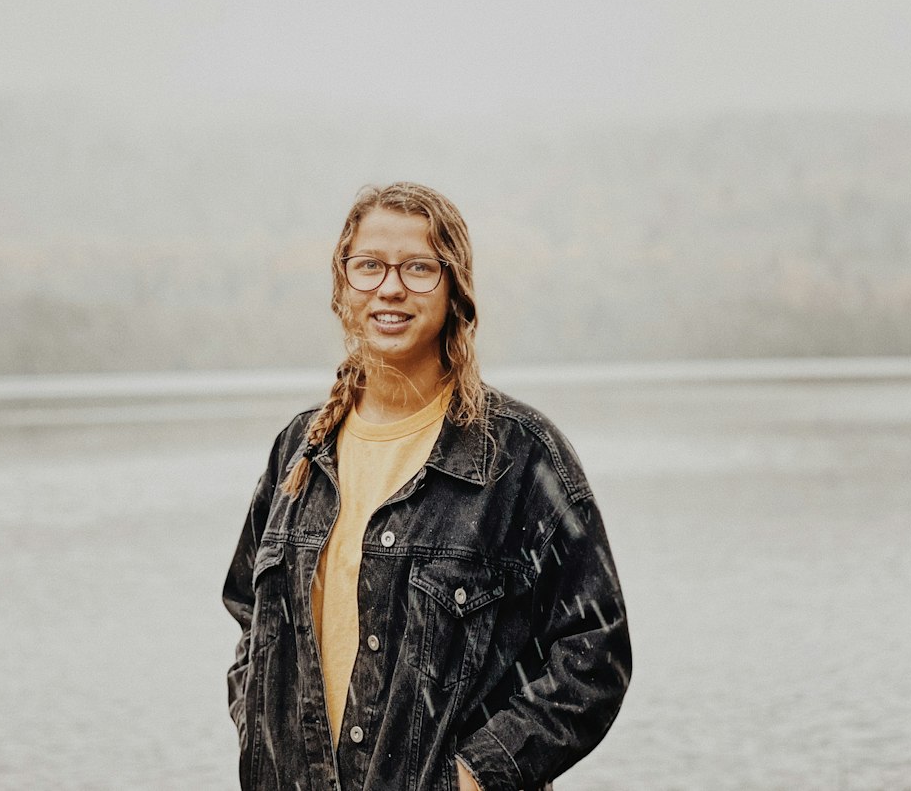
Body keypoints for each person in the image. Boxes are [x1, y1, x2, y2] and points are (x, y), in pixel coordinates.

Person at [223, 182, 631, 790]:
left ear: (454, 287)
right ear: (342, 287)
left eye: (418, 267)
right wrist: (261, 729)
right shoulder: (298, 451)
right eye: (369, 267)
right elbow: (249, 615)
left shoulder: (519, 457)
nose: (390, 287)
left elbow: (595, 652)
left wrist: (474, 776)